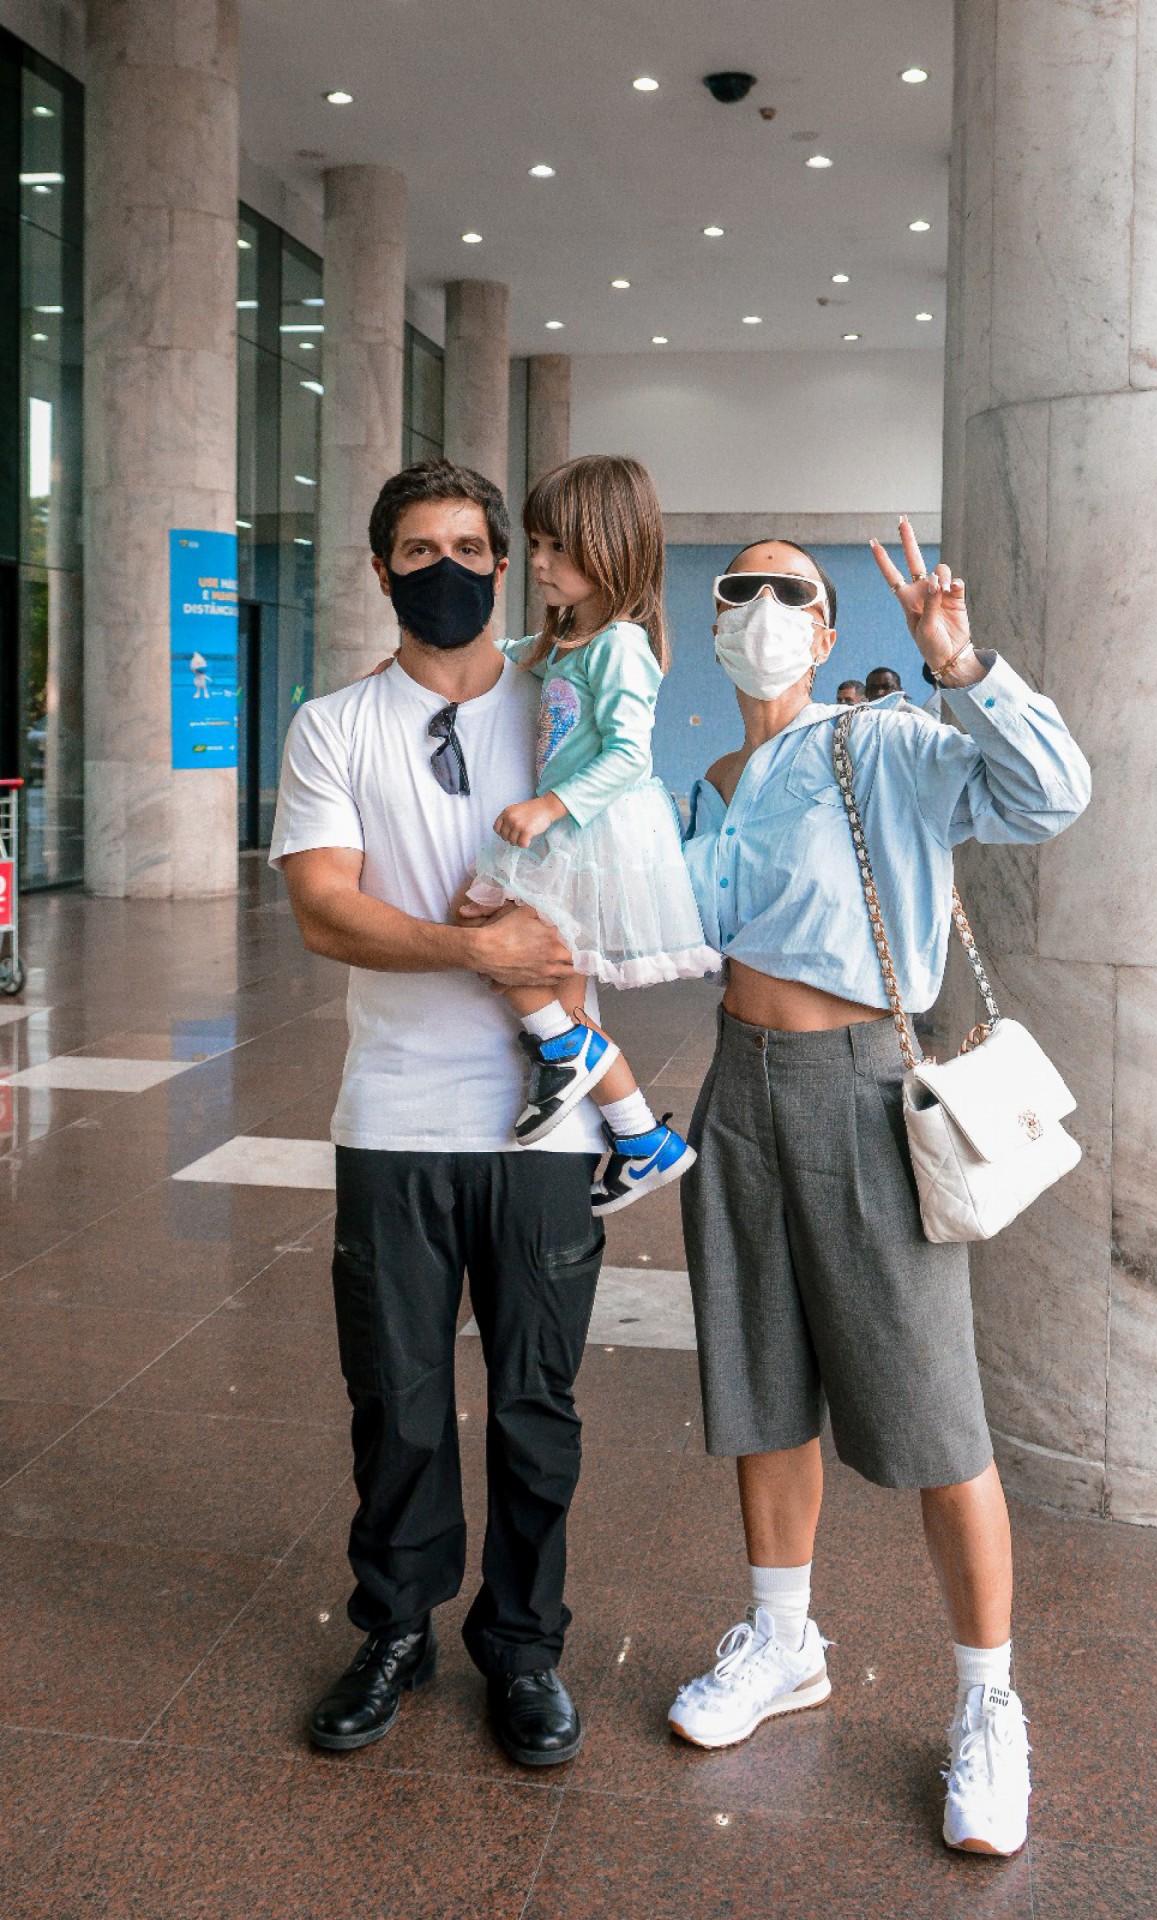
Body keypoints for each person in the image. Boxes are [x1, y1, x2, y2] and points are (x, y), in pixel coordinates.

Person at [668, 521, 1090, 1858]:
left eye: (791, 587)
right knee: (762, 1379)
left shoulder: (886, 741)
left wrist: (961, 662)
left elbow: (1049, 795)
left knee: (930, 1405)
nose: (761, 604)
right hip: (737, 1090)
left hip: (862, 1086)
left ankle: (987, 1706)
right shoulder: (717, 775)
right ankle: (784, 1641)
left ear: (830, 626)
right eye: (740, 585)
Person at [271, 457, 607, 1771]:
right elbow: (322, 906)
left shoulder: (563, 717)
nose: (450, 570)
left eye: (472, 546)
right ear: (380, 571)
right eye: (420, 552)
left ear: (506, 564)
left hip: (550, 1126)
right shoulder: (334, 726)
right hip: (397, 1117)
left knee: (536, 1402)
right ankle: (397, 1628)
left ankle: (523, 1651)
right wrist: (472, 954)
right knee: (399, 1400)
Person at [466, 455, 721, 1215]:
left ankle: (567, 1055)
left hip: (593, 835)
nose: (537, 565)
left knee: (488, 933)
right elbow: (505, 658)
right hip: (571, 836)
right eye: (535, 546)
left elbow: (629, 755)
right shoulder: (566, 640)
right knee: (546, 984)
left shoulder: (620, 647)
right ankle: (641, 1138)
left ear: (610, 548)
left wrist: (550, 807)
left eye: (556, 549)